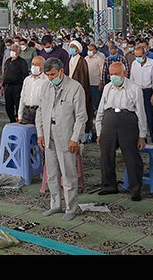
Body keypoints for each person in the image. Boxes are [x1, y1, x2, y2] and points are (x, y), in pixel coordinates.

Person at [36, 58, 87, 221]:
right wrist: (40, 133)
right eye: (47, 75)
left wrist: (75, 138)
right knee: (51, 173)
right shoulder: (46, 87)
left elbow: (81, 117)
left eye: (52, 75)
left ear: (61, 72)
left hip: (66, 135)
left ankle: (71, 208)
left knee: (68, 174)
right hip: (49, 133)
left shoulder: (75, 88)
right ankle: (55, 204)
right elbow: (40, 111)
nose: (50, 78)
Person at [95, 62, 148, 200]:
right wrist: (99, 131)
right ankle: (109, 186)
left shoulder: (135, 89)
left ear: (124, 73)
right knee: (106, 156)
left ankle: (135, 190)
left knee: (131, 157)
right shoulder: (107, 88)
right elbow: (101, 111)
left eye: (116, 74)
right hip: (109, 122)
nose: (113, 77)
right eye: (111, 74)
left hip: (128, 124)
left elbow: (141, 113)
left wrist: (142, 135)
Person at [130, 44, 153, 143]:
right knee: (138, 114)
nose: (138, 58)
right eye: (136, 56)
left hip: (148, 91)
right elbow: (132, 79)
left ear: (145, 54)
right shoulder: (134, 64)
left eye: (140, 56)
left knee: (150, 115)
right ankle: (141, 137)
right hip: (137, 91)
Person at [68, 40, 94, 135]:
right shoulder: (70, 59)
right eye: (70, 47)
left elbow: (83, 77)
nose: (71, 49)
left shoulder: (81, 61)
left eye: (73, 47)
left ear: (78, 49)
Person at [1, 43, 28, 121]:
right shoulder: (8, 61)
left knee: (18, 104)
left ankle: (18, 118)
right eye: (12, 50)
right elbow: (5, 73)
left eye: (15, 50)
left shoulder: (22, 62)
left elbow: (25, 74)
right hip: (7, 86)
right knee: (8, 105)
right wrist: (3, 86)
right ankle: (11, 119)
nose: (13, 52)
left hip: (17, 86)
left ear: (18, 52)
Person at [18, 55, 46, 124]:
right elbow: (22, 98)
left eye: (38, 64)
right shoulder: (27, 80)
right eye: (33, 64)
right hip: (26, 112)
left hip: (40, 112)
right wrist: (20, 116)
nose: (34, 66)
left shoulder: (46, 81)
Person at [85, 44, 105, 118]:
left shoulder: (99, 59)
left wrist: (101, 82)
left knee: (97, 100)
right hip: (87, 83)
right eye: (89, 49)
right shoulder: (85, 58)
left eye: (91, 50)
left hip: (96, 83)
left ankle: (98, 115)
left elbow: (102, 71)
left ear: (95, 51)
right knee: (89, 100)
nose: (89, 51)